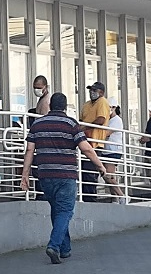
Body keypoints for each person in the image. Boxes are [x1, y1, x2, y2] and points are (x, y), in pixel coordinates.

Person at [21, 93, 106, 264]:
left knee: (56, 210)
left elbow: (30, 150)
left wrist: (25, 175)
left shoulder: (38, 123)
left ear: (51, 105)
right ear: (65, 107)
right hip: (66, 175)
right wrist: (100, 166)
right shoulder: (71, 124)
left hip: (45, 175)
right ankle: (54, 245)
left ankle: (65, 249)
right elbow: (87, 149)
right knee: (66, 211)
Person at [79, 81, 110, 202]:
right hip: (85, 141)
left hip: (95, 143)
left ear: (101, 92)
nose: (91, 92)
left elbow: (101, 119)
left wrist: (85, 127)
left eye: (94, 90)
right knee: (84, 173)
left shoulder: (102, 102)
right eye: (90, 90)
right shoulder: (86, 105)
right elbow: (81, 119)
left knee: (90, 173)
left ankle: (91, 199)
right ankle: (86, 198)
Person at [102, 97, 125, 203]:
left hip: (113, 150)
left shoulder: (117, 120)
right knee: (109, 176)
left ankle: (121, 196)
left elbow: (106, 133)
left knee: (108, 176)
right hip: (106, 150)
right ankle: (114, 198)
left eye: (110, 107)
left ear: (115, 108)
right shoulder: (109, 120)